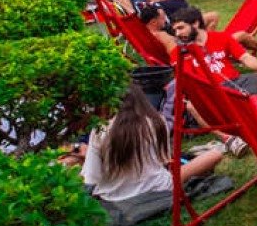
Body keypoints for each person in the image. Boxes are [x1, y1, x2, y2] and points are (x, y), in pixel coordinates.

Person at [83, 87, 224, 205]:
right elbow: (165, 160)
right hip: (158, 187)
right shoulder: (157, 121)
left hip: (114, 196)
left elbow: (91, 178)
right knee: (215, 154)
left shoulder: (100, 130)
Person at [168, 4, 257, 84]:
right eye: (175, 30)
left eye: (181, 28)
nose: (177, 34)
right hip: (212, 92)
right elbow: (190, 82)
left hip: (237, 81)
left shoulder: (221, 37)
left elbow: (245, 57)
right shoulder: (178, 53)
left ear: (195, 23)